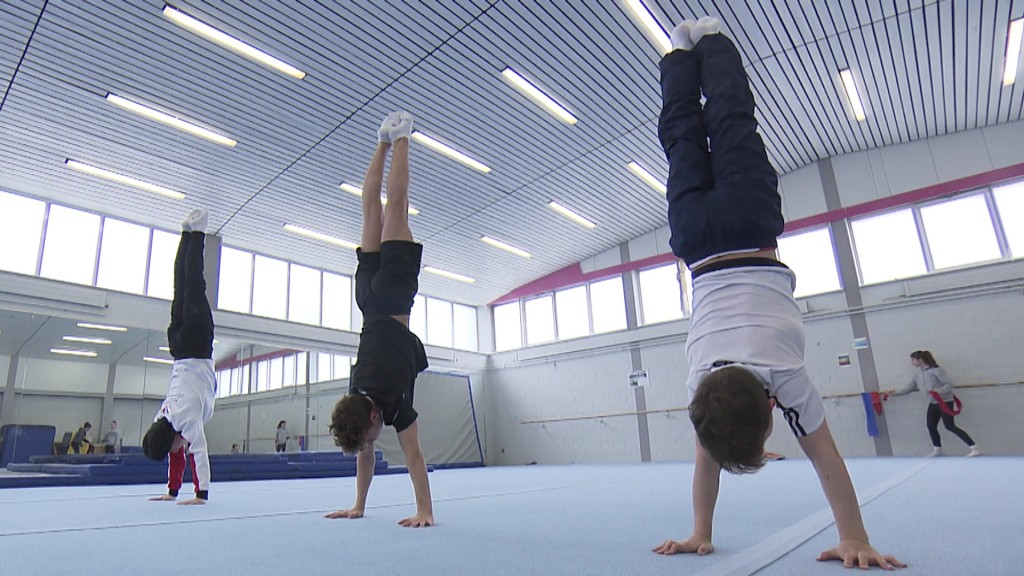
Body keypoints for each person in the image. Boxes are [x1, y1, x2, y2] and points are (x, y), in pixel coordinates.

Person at [651, 18, 905, 570]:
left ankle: (713, 41)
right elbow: (706, 459)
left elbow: (827, 460)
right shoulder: (700, 388)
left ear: (771, 406)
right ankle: (677, 52)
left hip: (750, 226)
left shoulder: (786, 379)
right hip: (696, 244)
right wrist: (697, 530)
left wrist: (854, 536)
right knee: (682, 139)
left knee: (733, 122)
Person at [325, 111, 433, 528]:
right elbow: (366, 455)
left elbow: (415, 456)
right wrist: (359, 505)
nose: (373, 443)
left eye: (371, 436)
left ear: (374, 419)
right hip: (366, 301)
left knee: (396, 209)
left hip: (391, 299)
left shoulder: (391, 403)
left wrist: (425, 510)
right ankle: (382, 141)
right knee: (370, 211)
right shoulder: (356, 393)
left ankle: (403, 136)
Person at [142, 208, 217, 506]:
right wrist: (171, 492)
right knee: (181, 285)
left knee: (194, 283)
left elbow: (199, 454)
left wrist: (201, 495)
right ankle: (186, 234)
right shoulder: (163, 417)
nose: (177, 451)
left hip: (198, 345)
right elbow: (177, 453)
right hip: (178, 348)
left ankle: (198, 232)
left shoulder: (186, 422)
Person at [888, 350, 981, 457]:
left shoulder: (937, 370)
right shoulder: (917, 374)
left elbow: (949, 385)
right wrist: (892, 394)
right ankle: (938, 449)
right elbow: (909, 388)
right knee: (931, 425)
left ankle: (974, 447)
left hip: (944, 402)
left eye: (913, 360)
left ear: (920, 360)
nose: (912, 362)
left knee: (950, 426)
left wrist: (938, 391)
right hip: (932, 403)